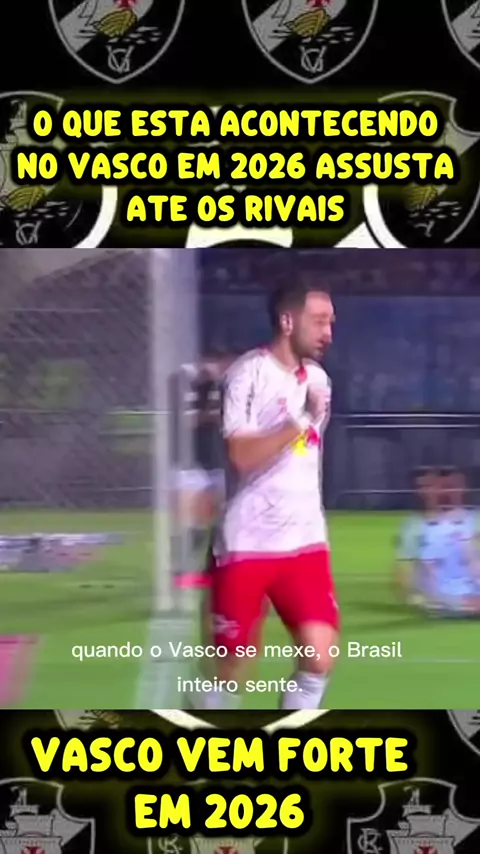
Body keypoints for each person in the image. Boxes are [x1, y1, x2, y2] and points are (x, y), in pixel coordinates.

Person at [198, 280, 338, 711]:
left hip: (305, 541)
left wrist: (305, 420)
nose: (328, 333)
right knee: (230, 667)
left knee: (319, 656)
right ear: (287, 321)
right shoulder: (247, 375)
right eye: (320, 322)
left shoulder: (319, 380)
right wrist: (299, 419)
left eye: (331, 323)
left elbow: (305, 455)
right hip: (249, 542)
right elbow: (241, 455)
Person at [395, 467, 442, 605]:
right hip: (433, 596)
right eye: (421, 487)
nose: (426, 492)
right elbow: (404, 564)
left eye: (430, 486)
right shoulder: (412, 526)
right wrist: (410, 596)